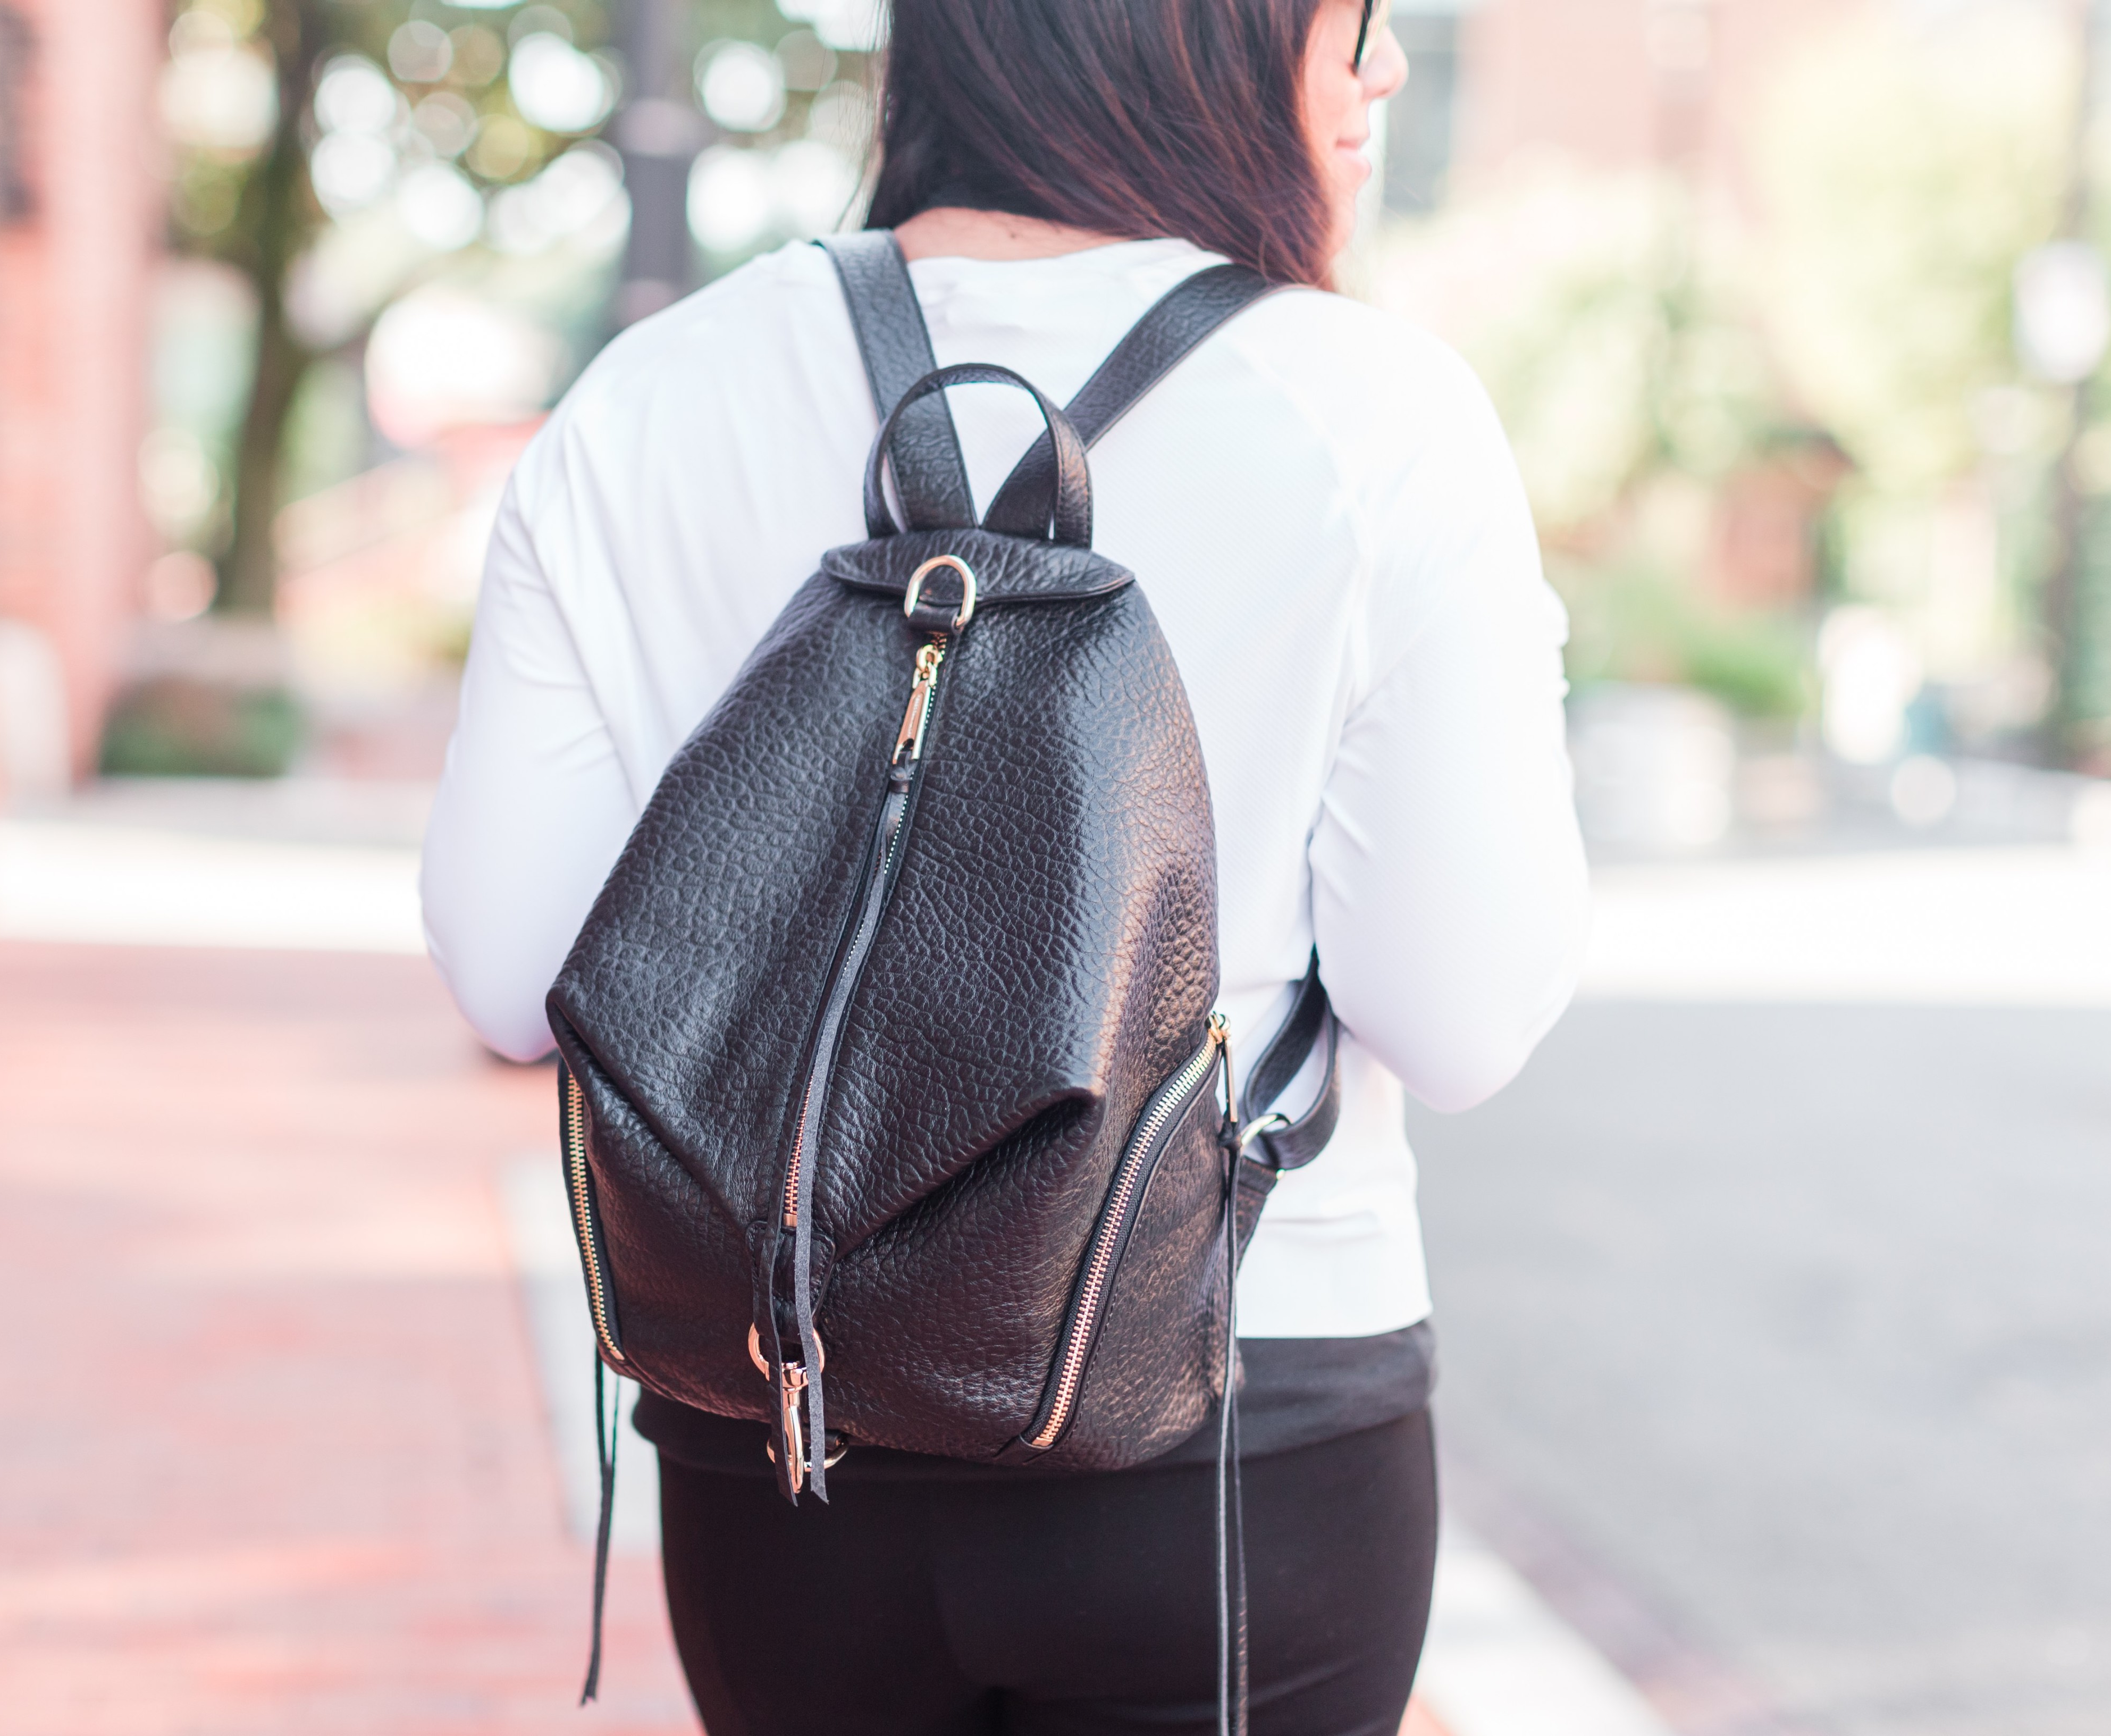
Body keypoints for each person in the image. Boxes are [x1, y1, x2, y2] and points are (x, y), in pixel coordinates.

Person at [421, 0, 1587, 1727]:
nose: (1386, 66)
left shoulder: (648, 400)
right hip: (1232, 1434)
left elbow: (513, 971)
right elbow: (1463, 1018)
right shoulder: (1375, 418)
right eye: (1352, 18)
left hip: (785, 1426)